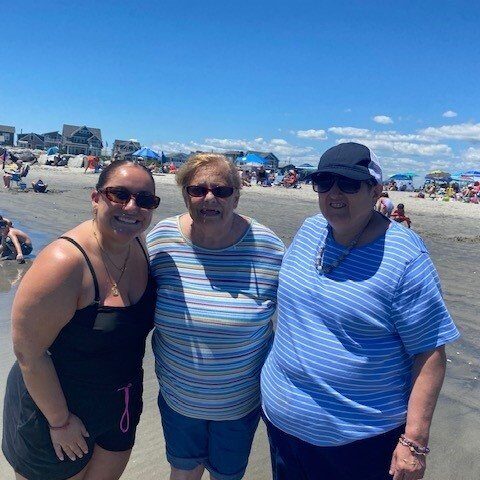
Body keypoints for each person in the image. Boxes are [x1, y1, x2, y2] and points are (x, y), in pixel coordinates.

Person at [261, 142, 459, 480]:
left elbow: (429, 353)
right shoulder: (310, 230)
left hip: (358, 442)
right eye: (325, 182)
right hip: (282, 426)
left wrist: (414, 442)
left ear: (376, 191)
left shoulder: (405, 258)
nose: (334, 193)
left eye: (349, 184)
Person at [2, 160, 160, 480]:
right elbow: (29, 353)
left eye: (145, 200)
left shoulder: (139, 244)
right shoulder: (65, 262)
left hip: (120, 407)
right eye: (119, 195)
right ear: (96, 197)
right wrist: (60, 421)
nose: (132, 207)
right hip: (54, 412)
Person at [147, 153, 284, 480]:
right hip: (178, 399)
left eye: (221, 191)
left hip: (238, 405)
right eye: (198, 190)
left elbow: (301, 321)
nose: (209, 198)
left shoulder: (269, 248)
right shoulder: (161, 240)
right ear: (185, 194)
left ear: (237, 195)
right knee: (182, 472)